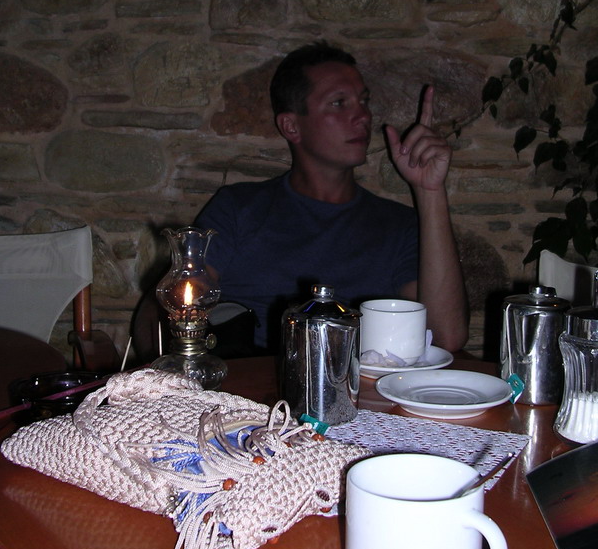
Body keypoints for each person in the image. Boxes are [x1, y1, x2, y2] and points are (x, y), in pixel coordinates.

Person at [195, 41, 469, 353]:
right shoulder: (237, 208)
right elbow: (175, 310)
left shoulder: (398, 224)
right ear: (291, 126)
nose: (362, 116)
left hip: (360, 380)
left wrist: (430, 191)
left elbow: (445, 338)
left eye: (363, 101)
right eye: (339, 103)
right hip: (253, 378)